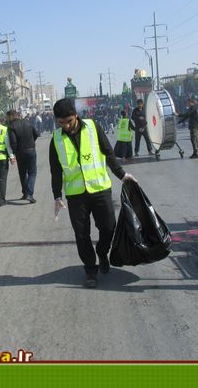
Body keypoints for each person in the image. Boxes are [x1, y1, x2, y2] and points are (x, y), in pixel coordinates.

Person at [50, 99, 136, 288]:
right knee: (81, 235)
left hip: (99, 189)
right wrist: (57, 196)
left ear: (76, 116)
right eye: (61, 122)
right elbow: (55, 170)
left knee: (109, 227)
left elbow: (108, 152)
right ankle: (90, 270)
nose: (65, 126)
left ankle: (102, 252)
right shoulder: (56, 139)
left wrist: (122, 175)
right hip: (76, 195)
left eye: (68, 121)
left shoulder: (92, 127)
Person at [7, 109, 39, 203]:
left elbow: (13, 142)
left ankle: (26, 193)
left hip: (20, 152)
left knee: (22, 173)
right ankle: (29, 194)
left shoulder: (11, 126)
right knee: (32, 172)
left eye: (7, 117)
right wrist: (31, 142)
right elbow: (36, 134)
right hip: (31, 150)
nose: (7, 119)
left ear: (11, 116)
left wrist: (14, 153)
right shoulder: (27, 122)